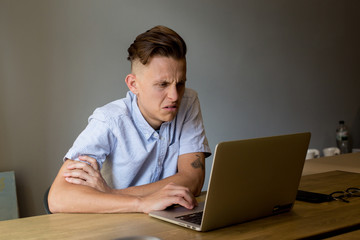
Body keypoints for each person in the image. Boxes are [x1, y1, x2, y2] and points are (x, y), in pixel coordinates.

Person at [48, 25, 211, 214]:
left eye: (180, 83)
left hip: (165, 222)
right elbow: (58, 198)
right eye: (162, 84)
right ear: (133, 84)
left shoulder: (188, 102)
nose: (175, 96)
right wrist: (141, 203)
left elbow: (193, 181)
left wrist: (113, 194)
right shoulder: (108, 120)